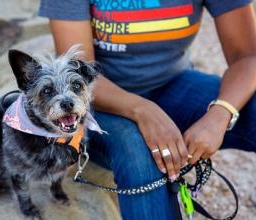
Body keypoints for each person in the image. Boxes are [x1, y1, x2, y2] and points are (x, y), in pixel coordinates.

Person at [39, 0, 256, 219]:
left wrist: (220, 114)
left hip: (174, 83)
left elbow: (248, 56)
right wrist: (143, 111)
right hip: (99, 100)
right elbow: (78, 76)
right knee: (138, 154)